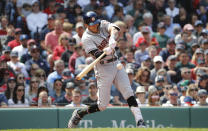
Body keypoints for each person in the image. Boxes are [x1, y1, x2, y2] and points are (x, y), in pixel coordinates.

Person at [68, 11, 145, 128]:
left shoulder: (102, 24)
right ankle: (80, 113)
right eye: (92, 24)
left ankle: (140, 122)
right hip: (103, 68)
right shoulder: (86, 38)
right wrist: (105, 51)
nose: (95, 26)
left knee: (128, 92)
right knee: (102, 105)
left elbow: (114, 28)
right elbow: (96, 54)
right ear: (86, 25)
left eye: (96, 23)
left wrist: (112, 38)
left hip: (115, 62)